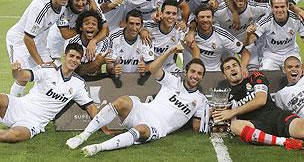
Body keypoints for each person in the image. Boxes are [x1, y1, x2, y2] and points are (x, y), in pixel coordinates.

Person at [65, 44, 208, 157]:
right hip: (145, 110)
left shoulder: (200, 100)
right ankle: (83, 136)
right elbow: (152, 68)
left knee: (141, 130)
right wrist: (170, 51)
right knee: (122, 102)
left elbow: (196, 127)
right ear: (186, 72)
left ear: (202, 77)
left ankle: (98, 148)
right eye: (192, 72)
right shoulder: (173, 81)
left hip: (159, 126)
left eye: (199, 74)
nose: (195, 76)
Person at [212, 57, 304, 156]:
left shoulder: (255, 77)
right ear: (224, 75)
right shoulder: (224, 94)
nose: (232, 69)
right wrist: (218, 114)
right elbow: (220, 118)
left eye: (234, 65)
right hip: (255, 125)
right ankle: (283, 142)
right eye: (228, 68)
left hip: (275, 116)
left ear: (241, 68)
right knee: (235, 126)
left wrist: (232, 111)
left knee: (302, 126)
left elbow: (261, 100)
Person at [0, 43, 110, 142]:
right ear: (64, 56)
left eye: (77, 58)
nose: (74, 60)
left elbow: (90, 107)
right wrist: (16, 70)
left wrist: (104, 128)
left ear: (80, 61)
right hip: (19, 106)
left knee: (13, 136)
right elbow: (21, 76)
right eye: (71, 56)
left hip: (33, 122)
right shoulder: (48, 70)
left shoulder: (78, 84)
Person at [6, 0, 71, 97]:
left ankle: (40, 106)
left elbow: (65, 33)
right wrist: (41, 63)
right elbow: (27, 38)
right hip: (19, 41)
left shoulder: (64, 4)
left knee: (53, 74)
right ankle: (10, 111)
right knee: (22, 77)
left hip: (39, 42)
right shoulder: (40, 7)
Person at [245, 0, 304, 71]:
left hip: (291, 53)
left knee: (296, 73)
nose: (280, 10)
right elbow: (249, 42)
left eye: (282, 7)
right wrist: (248, 34)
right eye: (276, 7)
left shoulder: (297, 19)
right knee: (267, 72)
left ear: (287, 6)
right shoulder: (265, 21)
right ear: (271, 8)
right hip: (271, 55)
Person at [214, 0, 270, 70]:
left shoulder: (256, 8)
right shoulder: (219, 12)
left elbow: (273, 10)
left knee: (253, 70)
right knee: (228, 70)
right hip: (226, 44)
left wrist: (259, 26)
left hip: (247, 41)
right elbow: (205, 18)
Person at [47, 0, 108, 64]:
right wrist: (84, 29)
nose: (80, 3)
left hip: (81, 31)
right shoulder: (63, 7)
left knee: (86, 61)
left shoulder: (93, 6)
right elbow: (66, 34)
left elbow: (105, 29)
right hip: (59, 32)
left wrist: (94, 41)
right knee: (54, 62)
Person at [184, 4, 251, 72]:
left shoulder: (222, 35)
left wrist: (242, 67)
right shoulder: (186, 33)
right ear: (196, 19)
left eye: (208, 17)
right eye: (202, 17)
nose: (205, 20)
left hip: (214, 73)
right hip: (192, 72)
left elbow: (245, 53)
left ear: (212, 18)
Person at [144, 0, 186, 72]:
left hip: (169, 67)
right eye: (168, 13)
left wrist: (180, 69)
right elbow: (136, 25)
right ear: (161, 14)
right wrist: (141, 31)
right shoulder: (149, 27)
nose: (171, 16)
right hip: (151, 66)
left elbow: (180, 53)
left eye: (174, 14)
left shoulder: (179, 30)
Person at [107, 9, 153, 76]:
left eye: (137, 24)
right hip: (118, 78)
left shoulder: (145, 38)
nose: (134, 28)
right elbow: (109, 66)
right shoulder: (114, 37)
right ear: (125, 23)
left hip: (137, 79)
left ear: (141, 25)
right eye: (131, 23)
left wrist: (145, 69)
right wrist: (113, 70)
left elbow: (151, 65)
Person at [65, 10, 109, 76]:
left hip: (97, 80)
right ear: (81, 27)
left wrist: (96, 64)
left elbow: (97, 68)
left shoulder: (104, 42)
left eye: (94, 24)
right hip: (76, 79)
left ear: (98, 29)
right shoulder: (70, 43)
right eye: (87, 23)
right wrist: (97, 62)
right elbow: (74, 70)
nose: (90, 26)